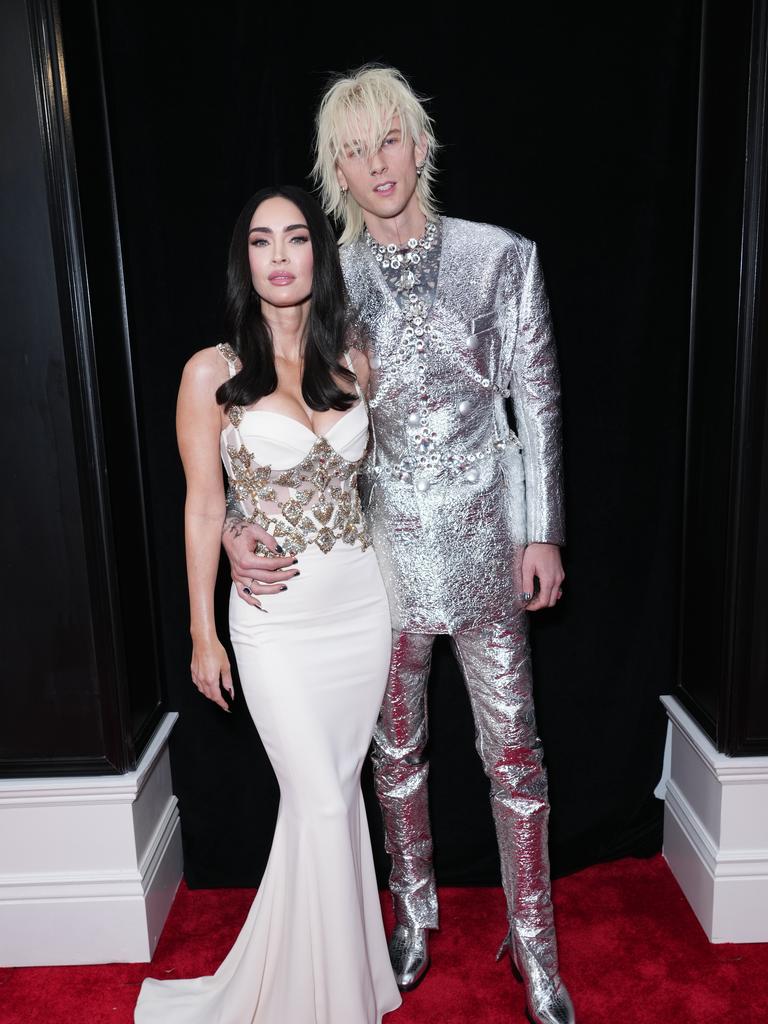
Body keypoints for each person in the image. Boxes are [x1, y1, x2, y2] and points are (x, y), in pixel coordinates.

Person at [223, 67, 575, 1024]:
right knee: (396, 755)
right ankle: (413, 919)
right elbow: (253, 397)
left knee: (516, 758)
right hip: (374, 565)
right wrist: (228, 519)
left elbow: (533, 403)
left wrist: (541, 530)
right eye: (353, 149)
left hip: (487, 549)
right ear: (335, 170)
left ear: (420, 145)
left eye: (389, 140)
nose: (376, 163)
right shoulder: (328, 274)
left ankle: (535, 945)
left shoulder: (501, 258)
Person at [134, 184, 401, 1024]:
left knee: (330, 803)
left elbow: (389, 485)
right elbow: (205, 507)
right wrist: (201, 632)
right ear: (243, 260)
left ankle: (327, 987)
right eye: (261, 240)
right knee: (321, 800)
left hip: (363, 613)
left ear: (319, 254)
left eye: (296, 238)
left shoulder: (356, 359)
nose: (280, 256)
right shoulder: (210, 372)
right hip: (277, 627)